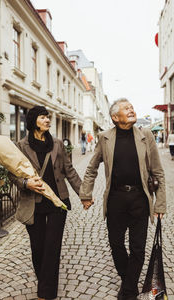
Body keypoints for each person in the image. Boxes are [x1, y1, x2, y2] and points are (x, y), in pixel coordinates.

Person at [79, 98, 166, 300]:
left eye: (132, 107)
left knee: (138, 248)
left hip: (140, 199)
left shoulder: (146, 136)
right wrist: (86, 194)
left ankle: (127, 291)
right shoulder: (105, 137)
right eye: (126, 108)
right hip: (116, 198)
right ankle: (130, 280)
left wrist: (160, 202)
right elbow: (92, 168)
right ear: (115, 117)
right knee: (116, 243)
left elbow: (158, 172)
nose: (132, 110)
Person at [9, 106, 82, 300]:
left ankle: (45, 294)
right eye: (43, 117)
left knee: (52, 247)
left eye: (48, 117)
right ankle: (45, 282)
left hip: (58, 202)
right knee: (38, 248)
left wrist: (84, 194)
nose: (48, 120)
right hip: (34, 204)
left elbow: (69, 170)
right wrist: (26, 183)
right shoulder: (21, 146)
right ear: (33, 121)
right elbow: (12, 174)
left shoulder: (57, 143)